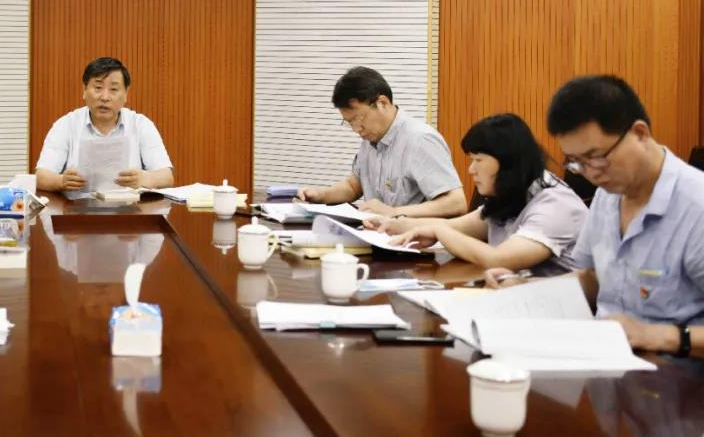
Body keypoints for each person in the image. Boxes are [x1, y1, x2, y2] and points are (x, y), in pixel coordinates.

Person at [488, 75, 703, 357]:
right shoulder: (607, 196)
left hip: (673, 372)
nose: (591, 173)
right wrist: (526, 289)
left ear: (640, 133)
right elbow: (596, 278)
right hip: (604, 359)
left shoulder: (695, 206)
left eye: (596, 157)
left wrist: (659, 336)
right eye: (577, 163)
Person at [367, 113, 586, 275]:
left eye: (478, 160)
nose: (471, 170)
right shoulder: (515, 194)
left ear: (507, 163)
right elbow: (457, 226)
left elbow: (499, 259)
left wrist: (439, 231)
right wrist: (394, 224)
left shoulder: (554, 205)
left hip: (566, 314)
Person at [298, 66, 466, 217]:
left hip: (411, 237)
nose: (356, 129)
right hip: (375, 234)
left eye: (358, 119)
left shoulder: (420, 140)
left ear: (382, 103)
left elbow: (456, 203)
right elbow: (353, 186)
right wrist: (321, 195)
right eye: (349, 123)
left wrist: (393, 213)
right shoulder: (370, 137)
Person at [36, 57, 174, 193]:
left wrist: (144, 179)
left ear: (126, 94)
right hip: (76, 206)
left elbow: (167, 177)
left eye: (113, 89)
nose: (105, 97)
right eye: (98, 88)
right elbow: (41, 177)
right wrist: (61, 181)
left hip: (130, 206)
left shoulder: (141, 124)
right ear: (84, 90)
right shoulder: (66, 125)